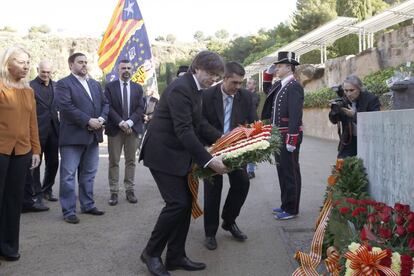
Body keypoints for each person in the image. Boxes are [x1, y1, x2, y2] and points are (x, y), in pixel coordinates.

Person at [139, 50, 227, 276]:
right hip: (162, 154)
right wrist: (208, 161)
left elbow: (199, 123)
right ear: (197, 68)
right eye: (211, 73)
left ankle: (176, 256)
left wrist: (226, 139)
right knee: (177, 204)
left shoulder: (195, 88)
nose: (213, 80)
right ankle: (151, 253)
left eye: (217, 76)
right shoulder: (181, 88)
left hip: (175, 154)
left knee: (185, 204)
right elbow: (184, 131)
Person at [202, 62, 257, 251]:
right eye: (234, 82)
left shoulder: (246, 97)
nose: (238, 87)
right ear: (224, 78)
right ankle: (210, 232)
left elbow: (252, 123)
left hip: (236, 151)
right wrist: (217, 141)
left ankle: (229, 220)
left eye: (241, 83)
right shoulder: (207, 95)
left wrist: (252, 141)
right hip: (212, 149)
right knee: (212, 190)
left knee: (242, 183)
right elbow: (199, 122)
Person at [55, 52, 108, 224]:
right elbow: (66, 107)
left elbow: (105, 104)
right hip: (72, 138)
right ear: (71, 65)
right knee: (68, 175)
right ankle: (69, 210)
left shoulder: (95, 84)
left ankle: (87, 205)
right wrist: (87, 120)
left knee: (89, 174)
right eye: (80, 62)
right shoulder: (63, 84)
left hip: (93, 137)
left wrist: (101, 119)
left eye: (86, 62)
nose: (84, 65)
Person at [0, 46, 41, 261]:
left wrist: (36, 149)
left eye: (27, 62)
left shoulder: (28, 90)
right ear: (7, 62)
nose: (25, 66)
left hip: (22, 151)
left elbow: (32, 122)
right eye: (20, 62)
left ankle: (8, 246)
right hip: (1, 150)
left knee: (14, 200)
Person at [261, 51, 304, 220]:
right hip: (278, 135)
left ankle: (292, 209)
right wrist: (268, 73)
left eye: (279, 66)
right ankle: (285, 204)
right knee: (282, 171)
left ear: (289, 67)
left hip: (288, 136)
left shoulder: (294, 86)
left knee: (290, 172)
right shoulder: (281, 84)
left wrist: (292, 138)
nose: (277, 68)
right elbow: (266, 90)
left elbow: (295, 115)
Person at [105, 59, 144, 206]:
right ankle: (114, 192)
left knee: (131, 161)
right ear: (118, 70)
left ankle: (129, 190)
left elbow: (140, 108)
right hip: (115, 129)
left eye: (128, 68)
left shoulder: (138, 88)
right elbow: (107, 106)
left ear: (131, 70)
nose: (126, 70)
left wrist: (129, 122)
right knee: (114, 161)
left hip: (132, 129)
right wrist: (120, 122)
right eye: (123, 68)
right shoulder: (110, 87)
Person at [22, 60, 60, 213]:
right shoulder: (29, 86)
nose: (45, 75)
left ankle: (47, 190)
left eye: (48, 72)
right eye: (43, 72)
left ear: (52, 72)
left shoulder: (57, 86)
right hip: (36, 132)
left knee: (54, 163)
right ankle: (36, 196)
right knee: (35, 165)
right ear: (38, 70)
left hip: (54, 131)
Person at [329, 75, 380, 158]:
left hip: (367, 140)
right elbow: (334, 120)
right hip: (348, 140)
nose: (348, 94)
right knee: (342, 166)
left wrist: (354, 115)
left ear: (359, 88)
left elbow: (375, 121)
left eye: (351, 90)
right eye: (346, 90)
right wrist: (334, 111)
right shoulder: (343, 100)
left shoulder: (371, 99)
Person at [245, 78, 260, 179]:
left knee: (251, 148)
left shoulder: (255, 96)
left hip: (252, 125)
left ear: (254, 86)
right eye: (247, 83)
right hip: (243, 124)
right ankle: (244, 169)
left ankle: (251, 170)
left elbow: (252, 105)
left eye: (250, 83)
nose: (247, 85)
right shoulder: (242, 94)